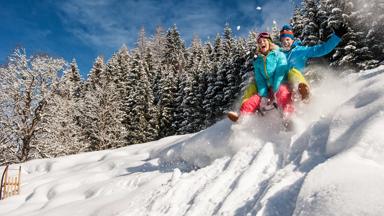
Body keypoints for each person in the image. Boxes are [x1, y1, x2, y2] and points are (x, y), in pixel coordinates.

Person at [227, 32, 292, 123]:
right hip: (268, 89)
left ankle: (288, 116)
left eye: (264, 40)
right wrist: (264, 96)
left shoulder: (279, 55)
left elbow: (280, 73)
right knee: (255, 99)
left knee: (283, 92)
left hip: (280, 84)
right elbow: (260, 80)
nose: (262, 43)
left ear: (269, 42)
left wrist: (276, 89)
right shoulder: (258, 62)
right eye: (260, 42)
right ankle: (242, 115)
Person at [279, 24, 348, 100]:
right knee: (281, 89)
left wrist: (336, 37)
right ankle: (284, 109)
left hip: (297, 80)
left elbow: (321, 49)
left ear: (292, 40)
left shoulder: (301, 50)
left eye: (287, 39)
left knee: (292, 72)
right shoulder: (278, 55)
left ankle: (303, 92)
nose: (285, 42)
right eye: (283, 40)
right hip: (283, 84)